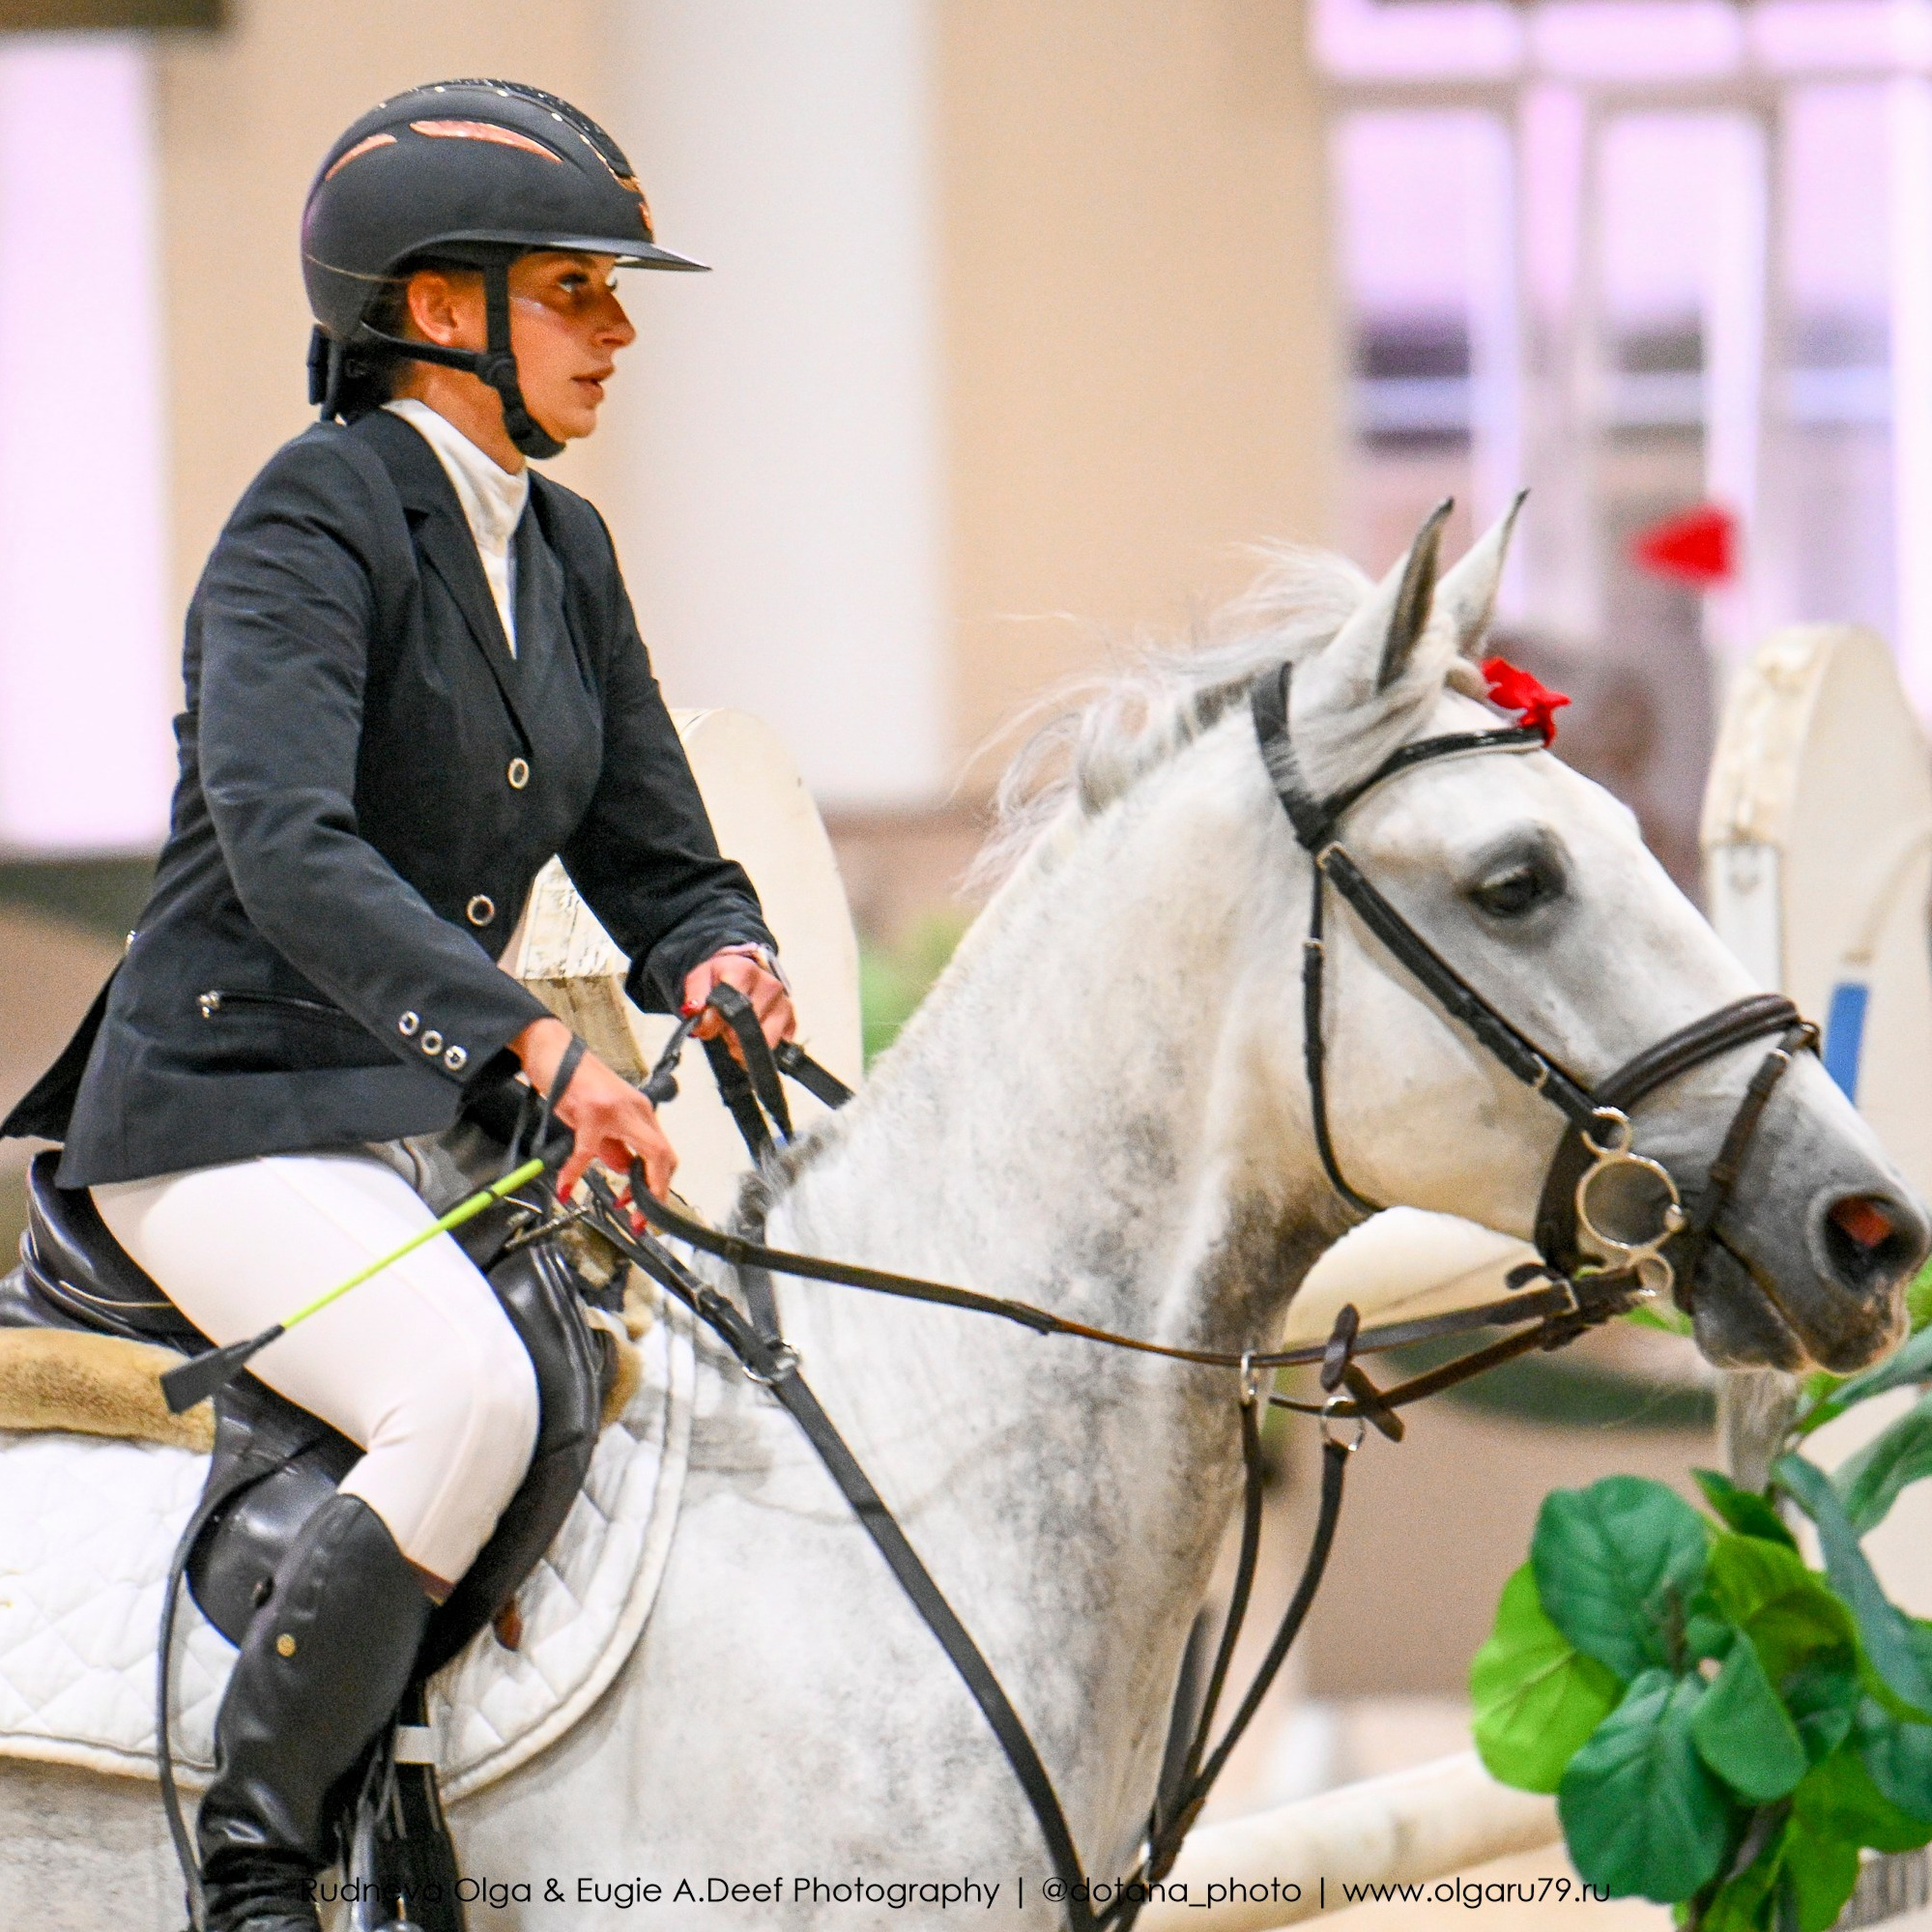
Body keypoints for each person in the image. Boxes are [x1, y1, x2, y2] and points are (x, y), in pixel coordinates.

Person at [1, 79, 793, 1932]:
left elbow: (657, 846)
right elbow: (286, 844)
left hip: (417, 1117)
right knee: (460, 1390)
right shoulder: (314, 514)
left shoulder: (562, 547)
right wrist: (531, 1043)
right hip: (224, 1112)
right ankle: (261, 1866)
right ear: (441, 312)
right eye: (577, 289)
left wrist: (723, 952)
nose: (616, 328)